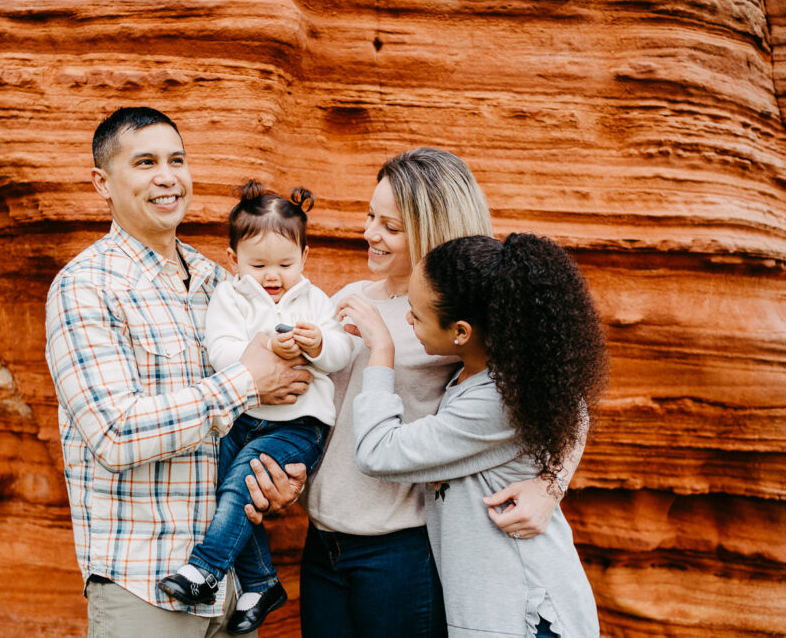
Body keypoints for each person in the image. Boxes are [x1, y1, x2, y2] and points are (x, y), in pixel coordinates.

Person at [295, 148, 585, 637]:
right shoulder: (348, 298)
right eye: (370, 216)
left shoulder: (454, 321)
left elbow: (564, 401)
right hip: (322, 541)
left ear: (431, 229)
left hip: (402, 550)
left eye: (390, 226)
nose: (370, 233)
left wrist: (551, 486)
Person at [45, 107, 311, 637]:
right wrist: (244, 382)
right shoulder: (85, 287)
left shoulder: (223, 282)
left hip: (233, 586)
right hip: (143, 582)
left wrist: (282, 475)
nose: (167, 177)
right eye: (145, 162)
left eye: (177, 160)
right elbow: (115, 433)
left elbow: (270, 404)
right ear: (103, 182)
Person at [343, 233, 607, 637]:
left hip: (524, 617)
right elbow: (575, 407)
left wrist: (381, 351)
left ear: (461, 332)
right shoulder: (499, 372)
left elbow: (378, 453)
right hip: (496, 611)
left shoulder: (497, 400)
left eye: (416, 314)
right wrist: (552, 482)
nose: (407, 321)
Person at [159, 181, 352, 634]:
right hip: (244, 419)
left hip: (299, 426)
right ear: (233, 260)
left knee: (239, 486)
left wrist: (319, 344)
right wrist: (260, 351)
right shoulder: (231, 297)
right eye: (258, 264)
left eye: (285, 264)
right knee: (226, 490)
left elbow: (342, 353)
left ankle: (205, 571)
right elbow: (220, 350)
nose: (272, 275)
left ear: (305, 258)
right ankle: (261, 581)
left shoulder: (314, 299)